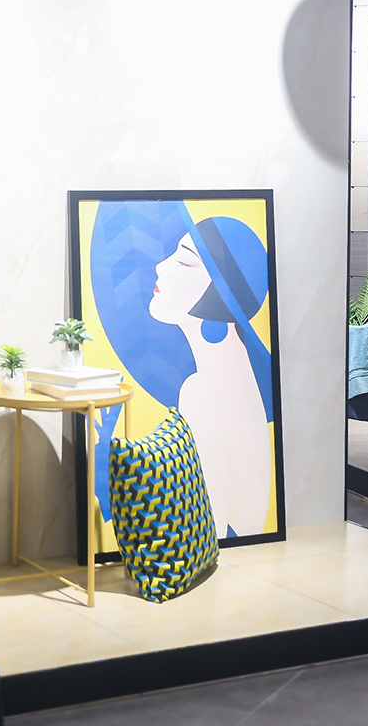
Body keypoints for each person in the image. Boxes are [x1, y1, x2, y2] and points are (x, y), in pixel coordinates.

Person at [147, 216, 272, 537]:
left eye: (184, 261)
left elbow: (205, 531)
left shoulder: (204, 392)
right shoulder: (233, 384)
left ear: (221, 292)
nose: (161, 266)